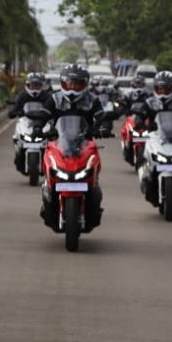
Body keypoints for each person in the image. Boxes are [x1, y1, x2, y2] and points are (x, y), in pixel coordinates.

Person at [41, 63, 107, 229]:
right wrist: (37, 127)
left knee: (93, 175)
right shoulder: (54, 98)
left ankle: (92, 194)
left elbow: (101, 117)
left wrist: (102, 127)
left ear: (85, 84)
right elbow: (43, 115)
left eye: (77, 83)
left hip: (84, 146)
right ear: (63, 82)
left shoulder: (92, 100)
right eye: (70, 83)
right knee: (49, 165)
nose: (73, 87)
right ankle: (49, 191)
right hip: (59, 145)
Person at [9, 72, 54, 170]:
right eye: (33, 85)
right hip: (26, 122)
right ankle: (18, 154)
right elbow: (15, 108)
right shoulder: (22, 96)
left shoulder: (47, 96)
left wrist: (52, 115)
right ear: (28, 85)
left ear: (42, 85)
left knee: (53, 140)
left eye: (37, 85)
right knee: (16, 137)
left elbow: (52, 108)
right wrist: (13, 111)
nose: (35, 88)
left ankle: (51, 162)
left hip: (42, 122)